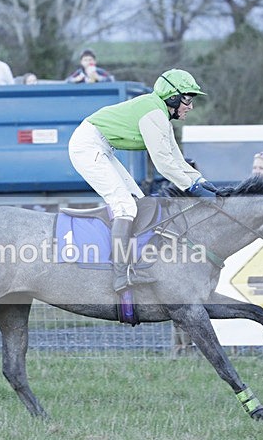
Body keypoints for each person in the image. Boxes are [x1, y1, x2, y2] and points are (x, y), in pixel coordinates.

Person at [68, 68, 215, 294]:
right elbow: (163, 162)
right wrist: (192, 188)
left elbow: (176, 158)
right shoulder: (154, 113)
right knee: (125, 207)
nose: (190, 106)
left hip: (99, 146)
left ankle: (134, 262)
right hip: (87, 145)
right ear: (172, 97)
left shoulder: (160, 115)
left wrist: (203, 182)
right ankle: (120, 274)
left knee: (139, 202)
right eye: (187, 99)